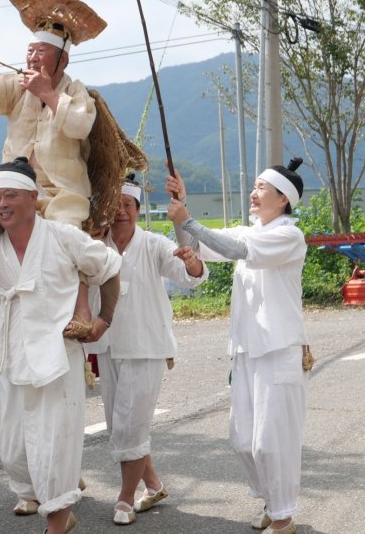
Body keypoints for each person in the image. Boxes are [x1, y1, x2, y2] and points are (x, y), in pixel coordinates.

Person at [0, 157, 122, 534]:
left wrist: (102, 321)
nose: (1, 204)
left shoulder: (63, 237)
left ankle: (56, 522)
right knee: (16, 454)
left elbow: (109, 268)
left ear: (32, 197)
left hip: (58, 361)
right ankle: (58, 510)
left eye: (10, 195)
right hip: (12, 363)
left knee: (54, 448)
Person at [0, 0, 107, 338]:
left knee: (68, 232)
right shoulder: (17, 85)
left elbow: (81, 124)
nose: (32, 57)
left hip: (59, 191)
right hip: (12, 186)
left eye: (41, 51)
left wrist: (48, 93)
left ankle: (81, 309)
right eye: (30, 51)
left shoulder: (76, 92)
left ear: (62, 59)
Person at [167, 158, 309, 534]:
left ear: (283, 199)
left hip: (279, 350)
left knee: (270, 442)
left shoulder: (288, 235)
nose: (254, 193)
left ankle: (283, 516)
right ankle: (272, 501)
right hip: (246, 349)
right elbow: (195, 244)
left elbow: (235, 250)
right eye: (255, 186)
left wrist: (188, 219)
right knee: (243, 440)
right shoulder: (248, 231)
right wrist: (182, 207)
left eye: (262, 187)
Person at [84, 175, 207, 525]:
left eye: (128, 205)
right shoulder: (95, 245)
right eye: (115, 205)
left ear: (138, 209)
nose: (121, 212)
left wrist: (192, 261)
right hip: (108, 345)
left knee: (131, 428)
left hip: (146, 347)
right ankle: (153, 485)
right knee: (118, 426)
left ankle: (125, 498)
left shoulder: (154, 244)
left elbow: (191, 275)